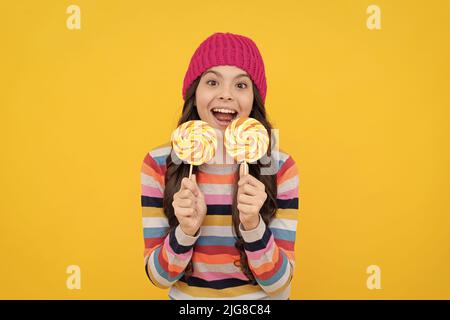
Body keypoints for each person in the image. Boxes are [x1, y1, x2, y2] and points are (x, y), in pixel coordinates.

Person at [141, 32, 299, 299]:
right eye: (212, 82)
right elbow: (159, 278)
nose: (226, 95)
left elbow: (279, 284)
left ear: (254, 98)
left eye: (240, 85)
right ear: (194, 91)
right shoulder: (160, 163)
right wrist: (186, 231)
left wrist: (253, 226)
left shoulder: (277, 164)